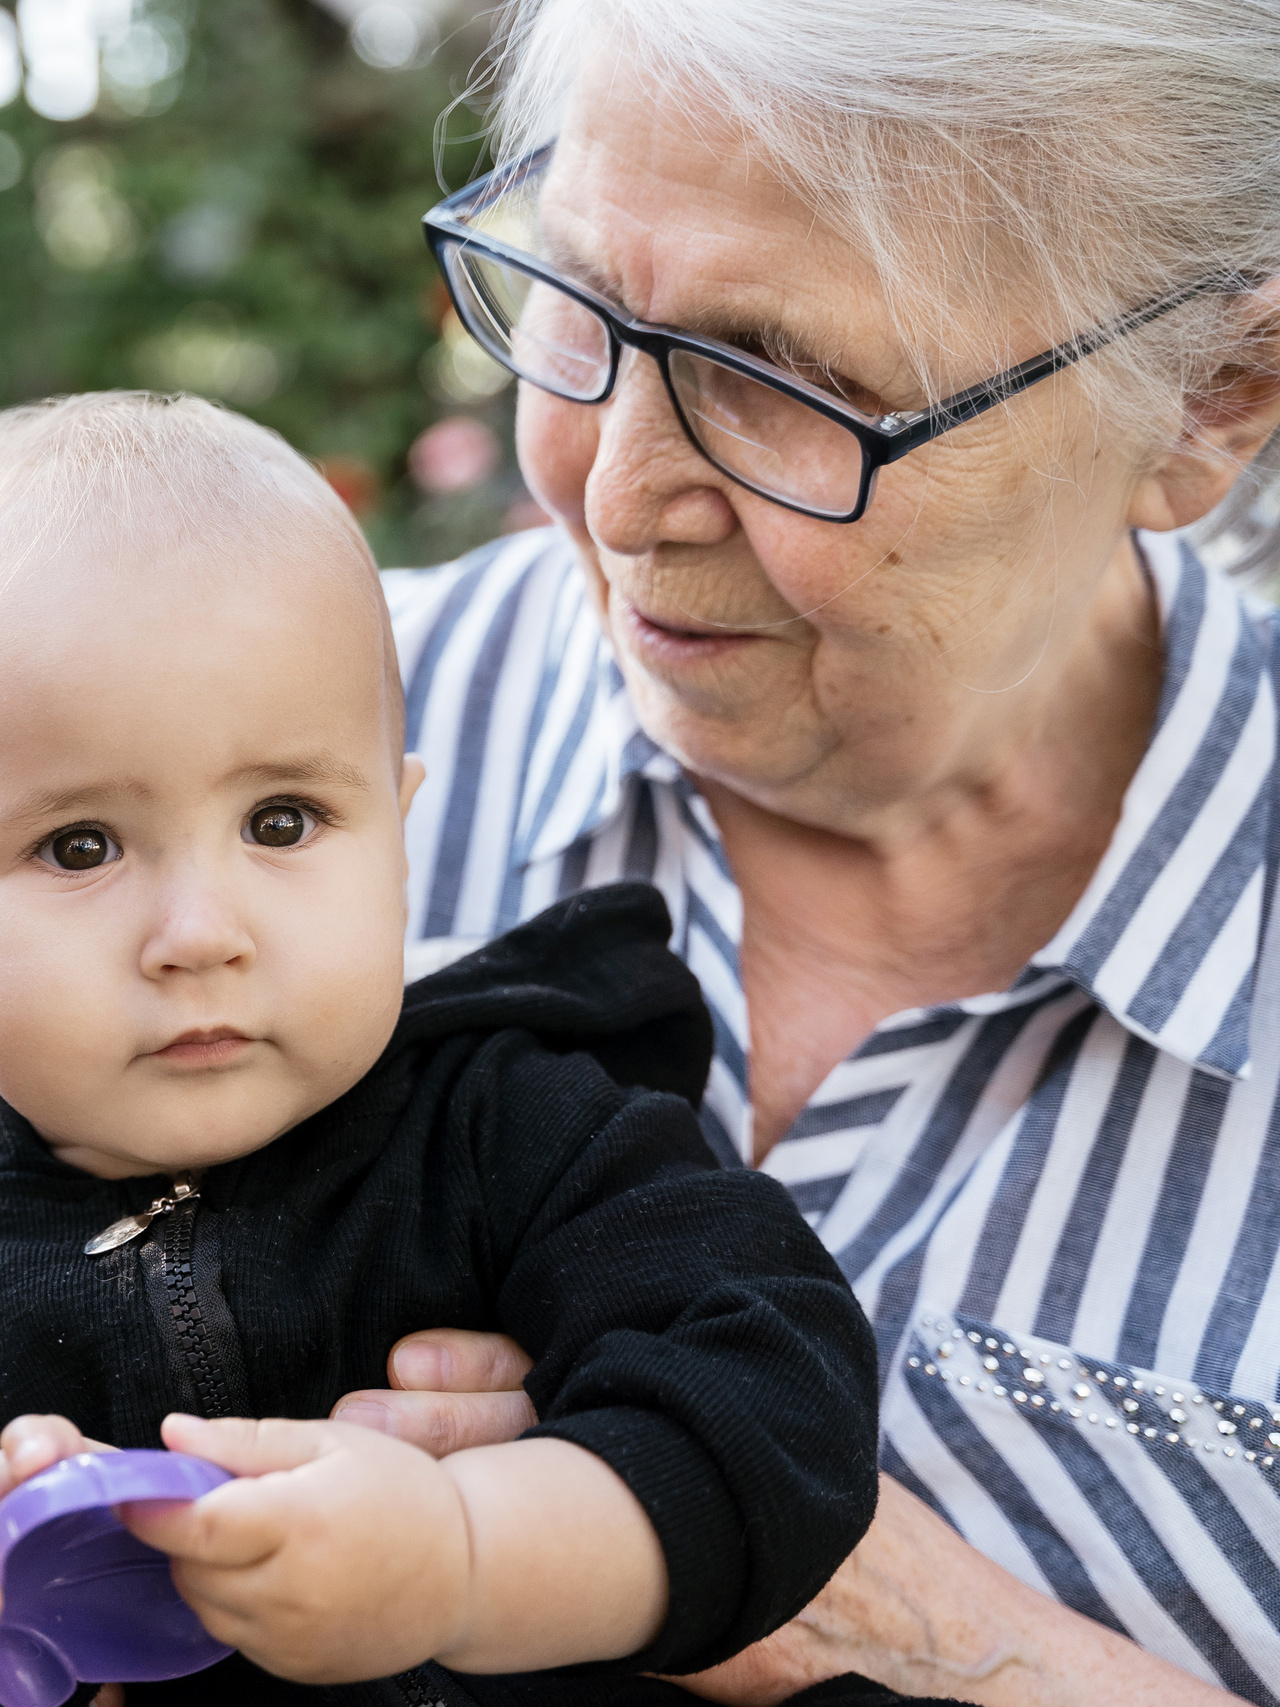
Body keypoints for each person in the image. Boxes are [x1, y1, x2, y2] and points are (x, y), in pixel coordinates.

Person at [342, 1, 1280, 1703]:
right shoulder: (272, 748)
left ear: (1215, 400)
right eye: (577, 304)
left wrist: (906, 1625)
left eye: (785, 382)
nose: (612, 489)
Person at [0, 393, 889, 1707]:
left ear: (398, 837)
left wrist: (468, 1557)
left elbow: (776, 1395)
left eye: (281, 821)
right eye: (81, 846)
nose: (201, 933)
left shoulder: (517, 1126)